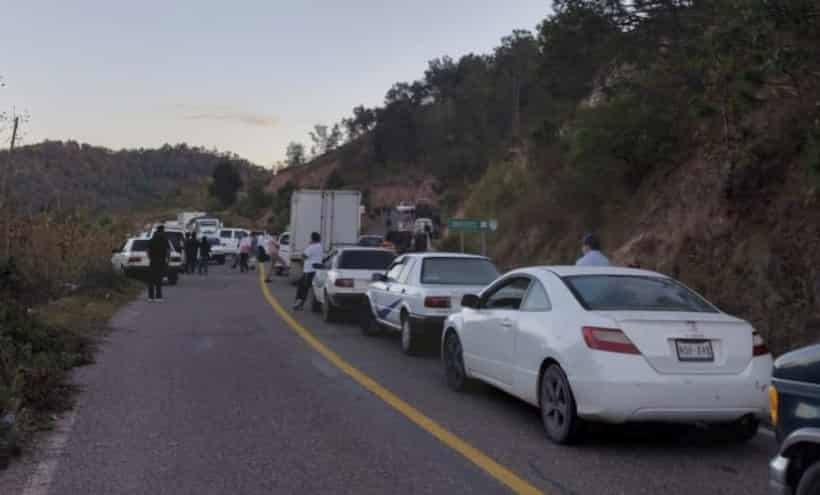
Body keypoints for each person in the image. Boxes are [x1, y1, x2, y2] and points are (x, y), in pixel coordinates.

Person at [293, 232, 322, 310]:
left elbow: (303, 256)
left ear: (312, 239)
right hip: (316, 271)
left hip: (308, 271)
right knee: (306, 287)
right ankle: (300, 304)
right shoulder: (320, 247)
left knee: (303, 288)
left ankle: (298, 304)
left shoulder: (311, 247)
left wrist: (302, 266)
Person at [147, 225, 169, 302]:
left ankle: (150, 297)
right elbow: (167, 251)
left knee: (151, 279)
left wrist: (150, 257)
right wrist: (167, 259)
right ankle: (158, 297)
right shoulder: (164, 239)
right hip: (161, 261)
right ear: (162, 230)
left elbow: (148, 251)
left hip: (153, 261)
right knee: (159, 279)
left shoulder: (152, 239)